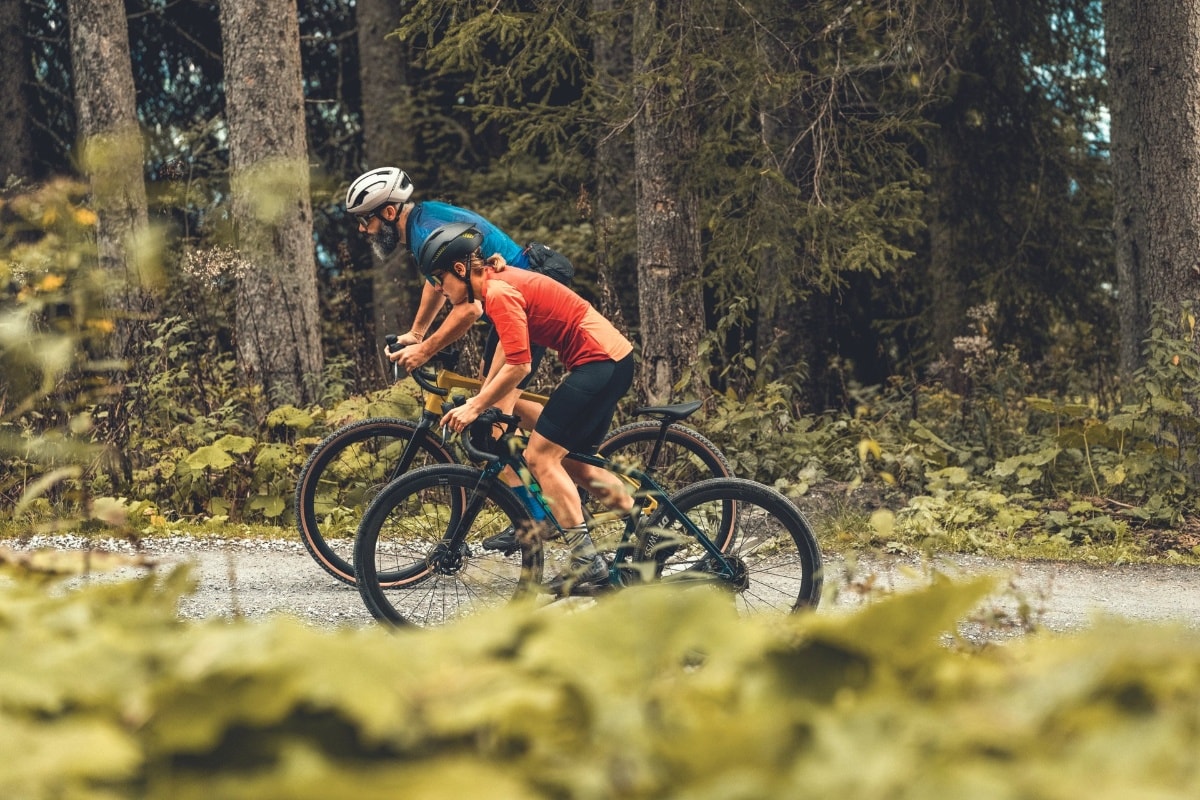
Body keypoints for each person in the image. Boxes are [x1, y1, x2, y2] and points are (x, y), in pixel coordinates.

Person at [418, 222, 635, 595]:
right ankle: (649, 526)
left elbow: (519, 365)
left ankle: (587, 563)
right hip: (610, 360)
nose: (438, 288)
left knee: (539, 457)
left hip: (600, 362)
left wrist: (476, 405)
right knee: (574, 463)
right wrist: (487, 401)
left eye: (440, 278)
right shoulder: (494, 281)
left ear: (459, 270)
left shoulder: (498, 292)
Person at [344, 167, 574, 385]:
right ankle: (552, 427)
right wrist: (417, 334)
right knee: (488, 394)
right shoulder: (420, 221)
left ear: (389, 212)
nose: (362, 229)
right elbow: (436, 279)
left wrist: (425, 351)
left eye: (365, 220)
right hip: (511, 298)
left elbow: (470, 309)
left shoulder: (426, 234)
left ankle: (556, 428)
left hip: (524, 300)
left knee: (491, 404)